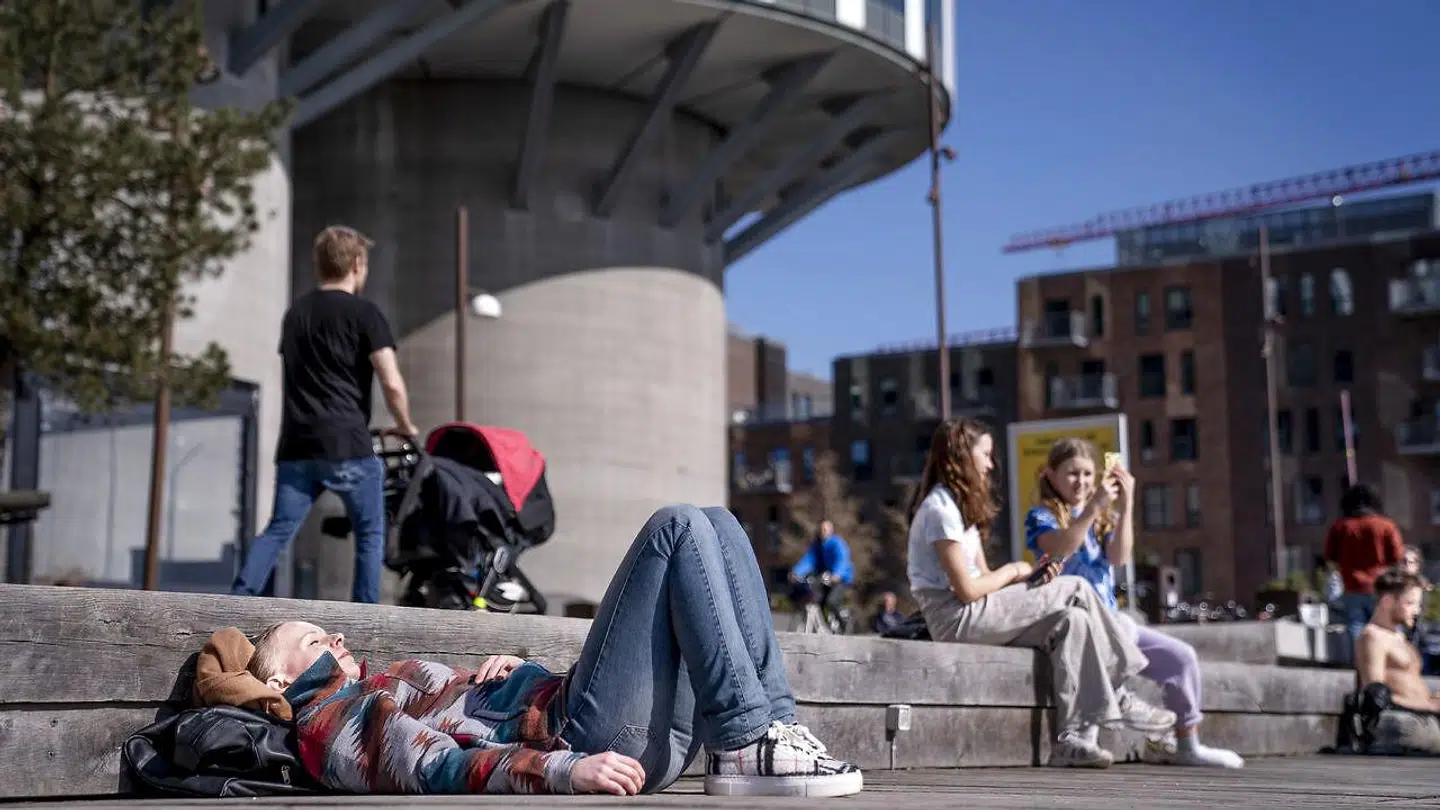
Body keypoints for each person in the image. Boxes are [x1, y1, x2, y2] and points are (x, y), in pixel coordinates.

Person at [243, 504, 863, 797]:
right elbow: (431, 768)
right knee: (676, 529)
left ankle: (769, 732)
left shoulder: (375, 691)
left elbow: (454, 731)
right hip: (586, 742)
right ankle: (747, 740)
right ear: (280, 685)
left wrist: (505, 678)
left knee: (721, 524)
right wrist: (562, 769)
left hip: (614, 736)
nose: (336, 638)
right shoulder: (328, 723)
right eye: (313, 639)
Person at [905, 418, 1175, 769]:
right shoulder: (939, 509)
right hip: (955, 619)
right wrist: (1016, 570)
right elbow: (968, 591)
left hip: (977, 612)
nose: (990, 463)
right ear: (960, 454)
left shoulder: (958, 509)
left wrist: (1029, 579)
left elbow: (985, 578)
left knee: (1073, 620)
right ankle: (1118, 689)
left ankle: (1073, 740)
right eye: (984, 454)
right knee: (1076, 588)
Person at [1025, 438, 1243, 769]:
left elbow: (1119, 556)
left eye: (1087, 474)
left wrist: (1126, 506)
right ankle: (1093, 730)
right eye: (1072, 474)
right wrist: (1093, 510)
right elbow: (1061, 548)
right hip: (1076, 624)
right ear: (1052, 476)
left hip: (1112, 622)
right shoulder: (1042, 515)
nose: (1081, 482)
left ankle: (1187, 744)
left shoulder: (1101, 516)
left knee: (1180, 659)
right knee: (1123, 626)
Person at [233, 225, 419, 604]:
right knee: (369, 533)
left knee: (278, 531)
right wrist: (405, 425)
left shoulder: (296, 314)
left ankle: (238, 598)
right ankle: (365, 616)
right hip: (347, 442)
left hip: (297, 446)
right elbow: (392, 382)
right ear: (356, 264)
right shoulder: (365, 314)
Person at [1354, 568, 1440, 753]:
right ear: (1387, 601)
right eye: (1410, 603)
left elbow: (1408, 685)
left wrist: (1432, 699)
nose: (1417, 611)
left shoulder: (1399, 638)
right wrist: (1429, 706)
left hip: (1423, 713)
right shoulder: (1373, 637)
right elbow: (1375, 696)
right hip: (1405, 719)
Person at [1324, 484, 1405, 660]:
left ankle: (1362, 662)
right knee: (1386, 624)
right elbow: (1397, 556)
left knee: (1356, 625)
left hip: (1353, 585)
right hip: (1382, 586)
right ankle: (1390, 661)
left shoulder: (1341, 527)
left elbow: (1330, 556)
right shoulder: (1386, 526)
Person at [789, 519, 855, 624]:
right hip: (824, 578)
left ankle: (842, 622)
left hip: (840, 578)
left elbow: (842, 560)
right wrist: (796, 572)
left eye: (825, 529)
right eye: (821, 529)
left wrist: (836, 574)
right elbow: (809, 560)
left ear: (831, 531)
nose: (822, 532)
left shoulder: (837, 543)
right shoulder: (817, 546)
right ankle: (824, 625)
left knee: (832, 602)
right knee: (817, 600)